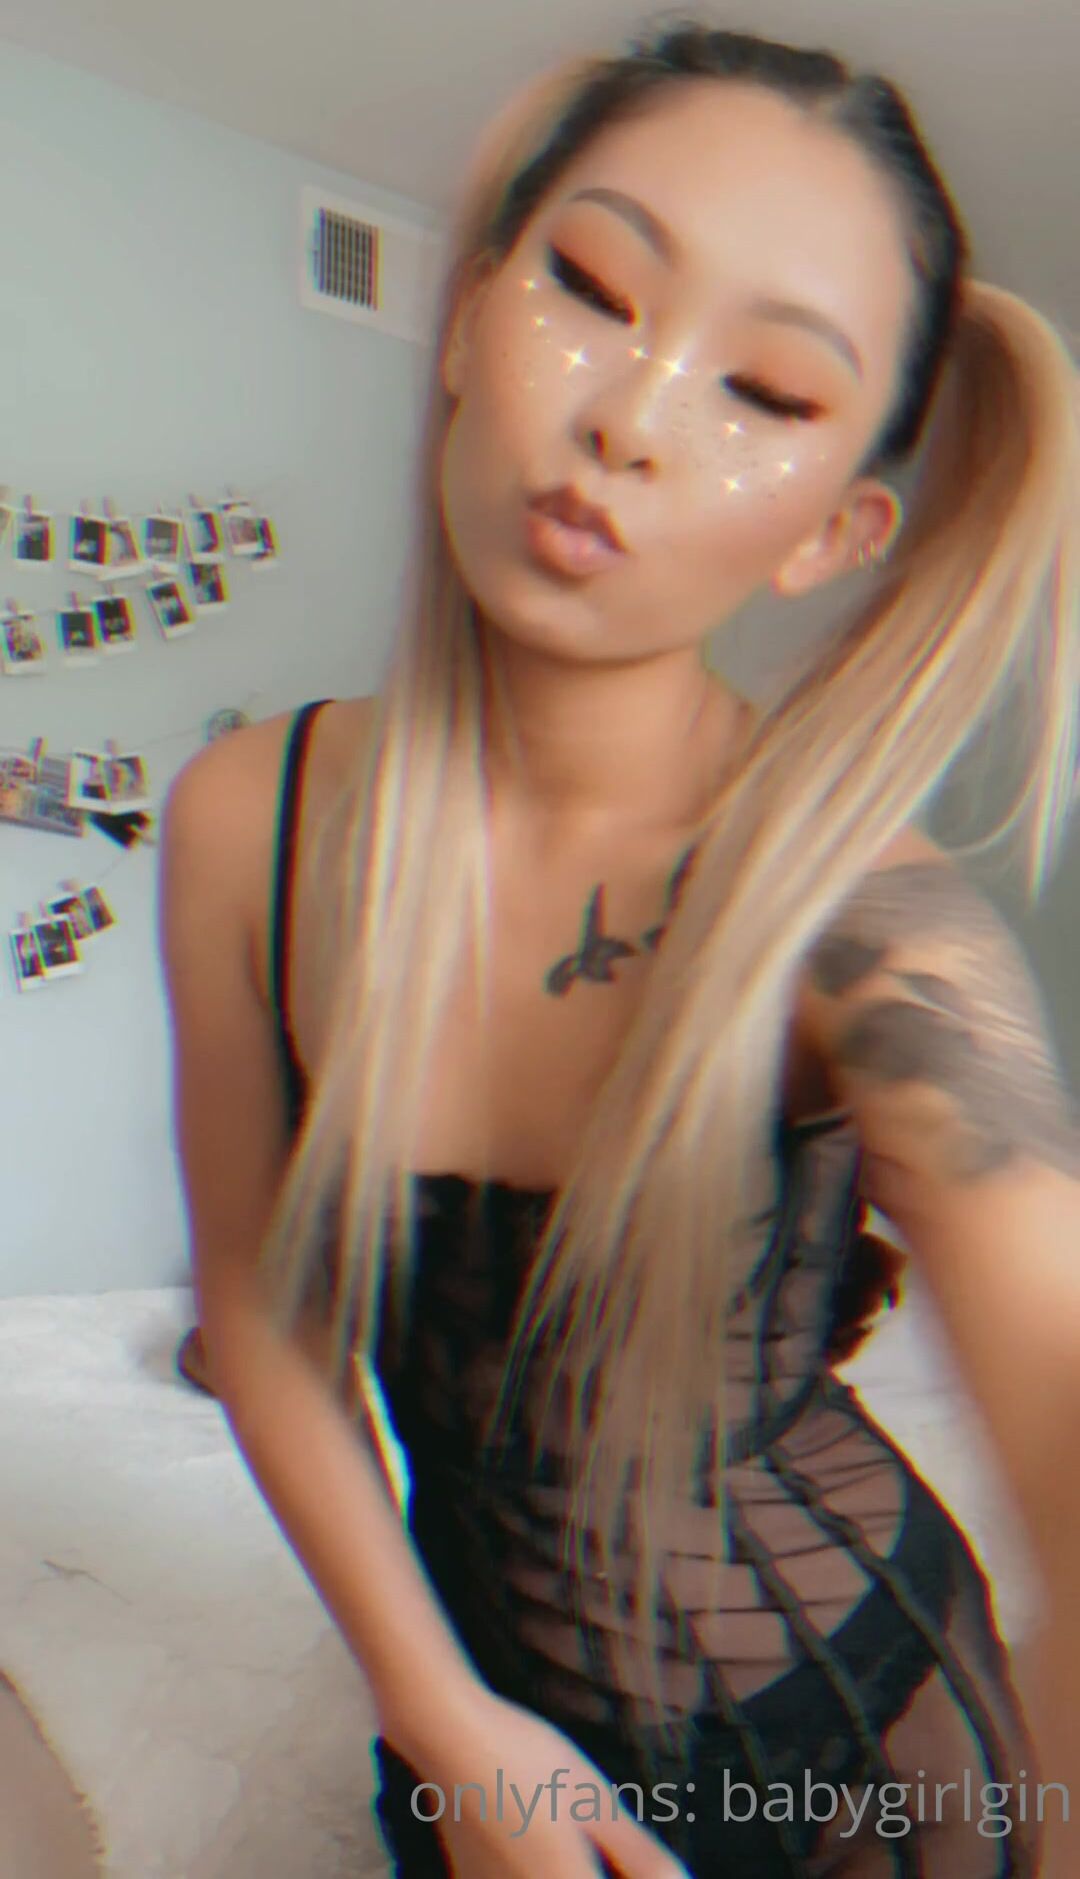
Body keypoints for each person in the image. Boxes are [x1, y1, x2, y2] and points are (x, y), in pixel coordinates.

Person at [161, 16, 1080, 1876]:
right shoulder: (250, 820)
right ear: (470, 310)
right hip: (479, 1726)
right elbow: (262, 1320)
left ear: (836, 533)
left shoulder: (872, 928)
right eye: (590, 286)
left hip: (856, 1750)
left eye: (769, 392)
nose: (633, 419)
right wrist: (448, 1722)